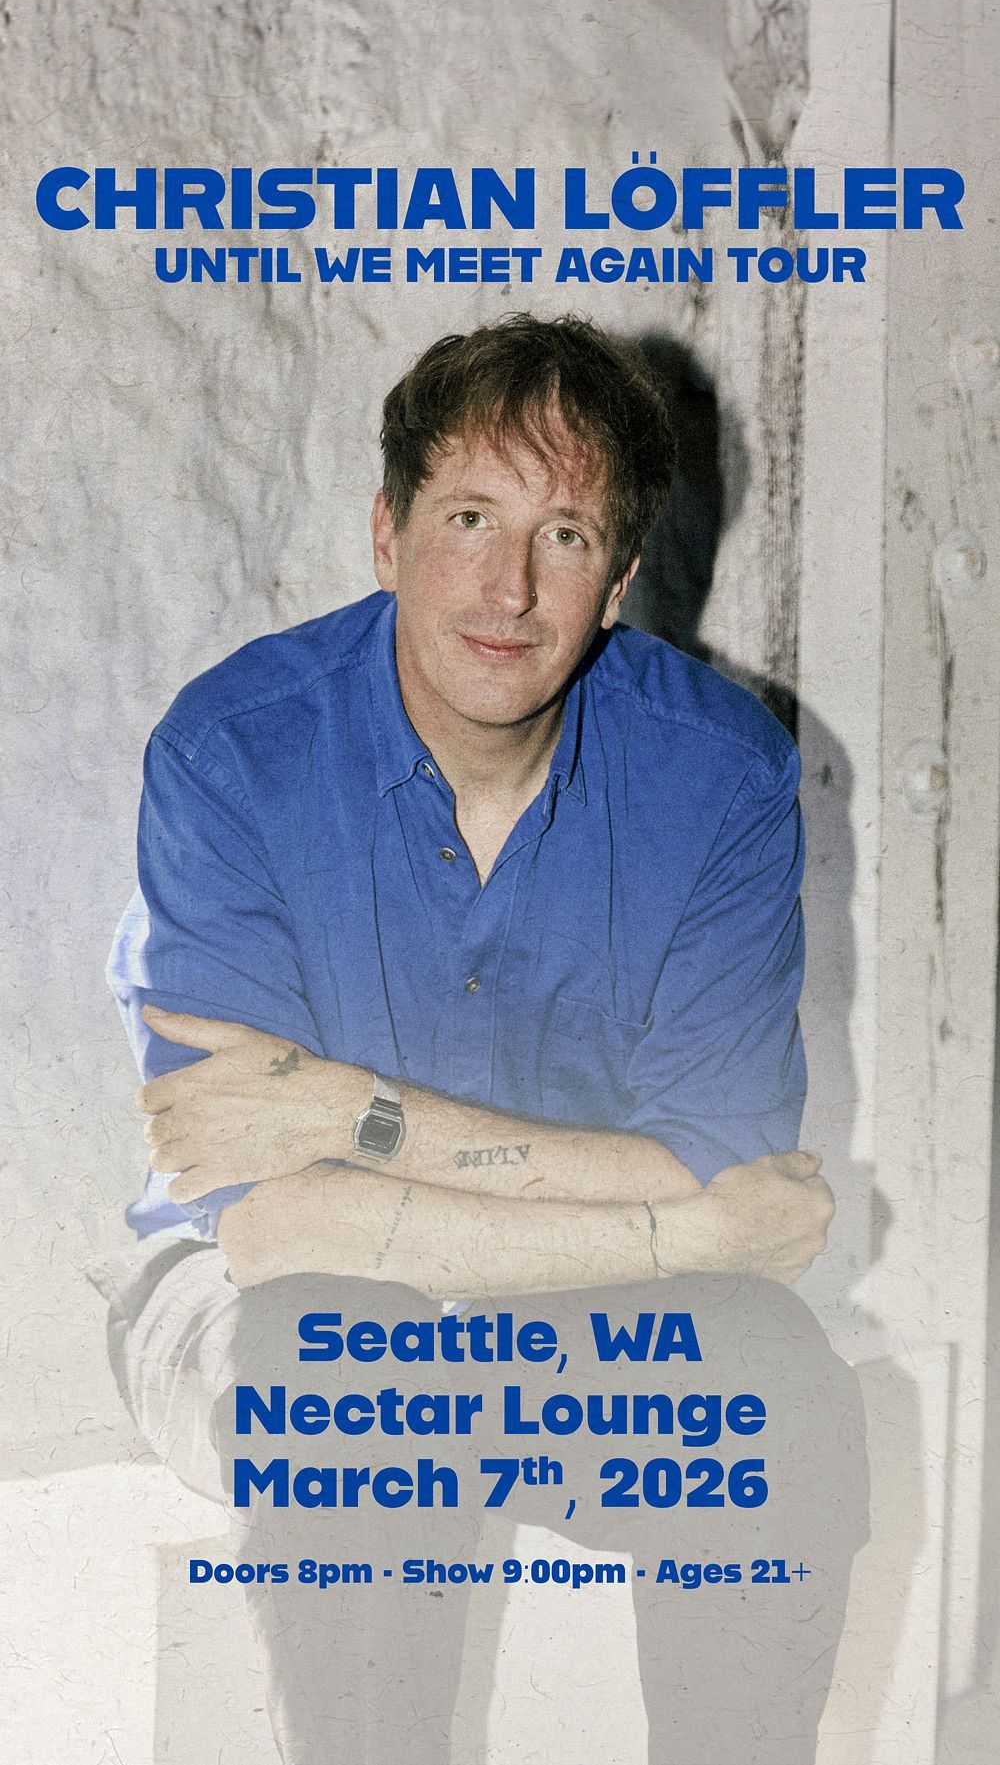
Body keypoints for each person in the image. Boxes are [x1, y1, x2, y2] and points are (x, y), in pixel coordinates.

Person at [108, 314, 868, 1764]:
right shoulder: (236, 748)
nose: (510, 589)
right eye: (469, 518)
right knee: (349, 1368)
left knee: (780, 1395)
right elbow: (276, 1227)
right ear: (386, 533)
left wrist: (350, 1110)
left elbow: (725, 1165)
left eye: (564, 536)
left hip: (580, 1317)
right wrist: (677, 1230)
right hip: (254, 1309)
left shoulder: (719, 774)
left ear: (621, 579)